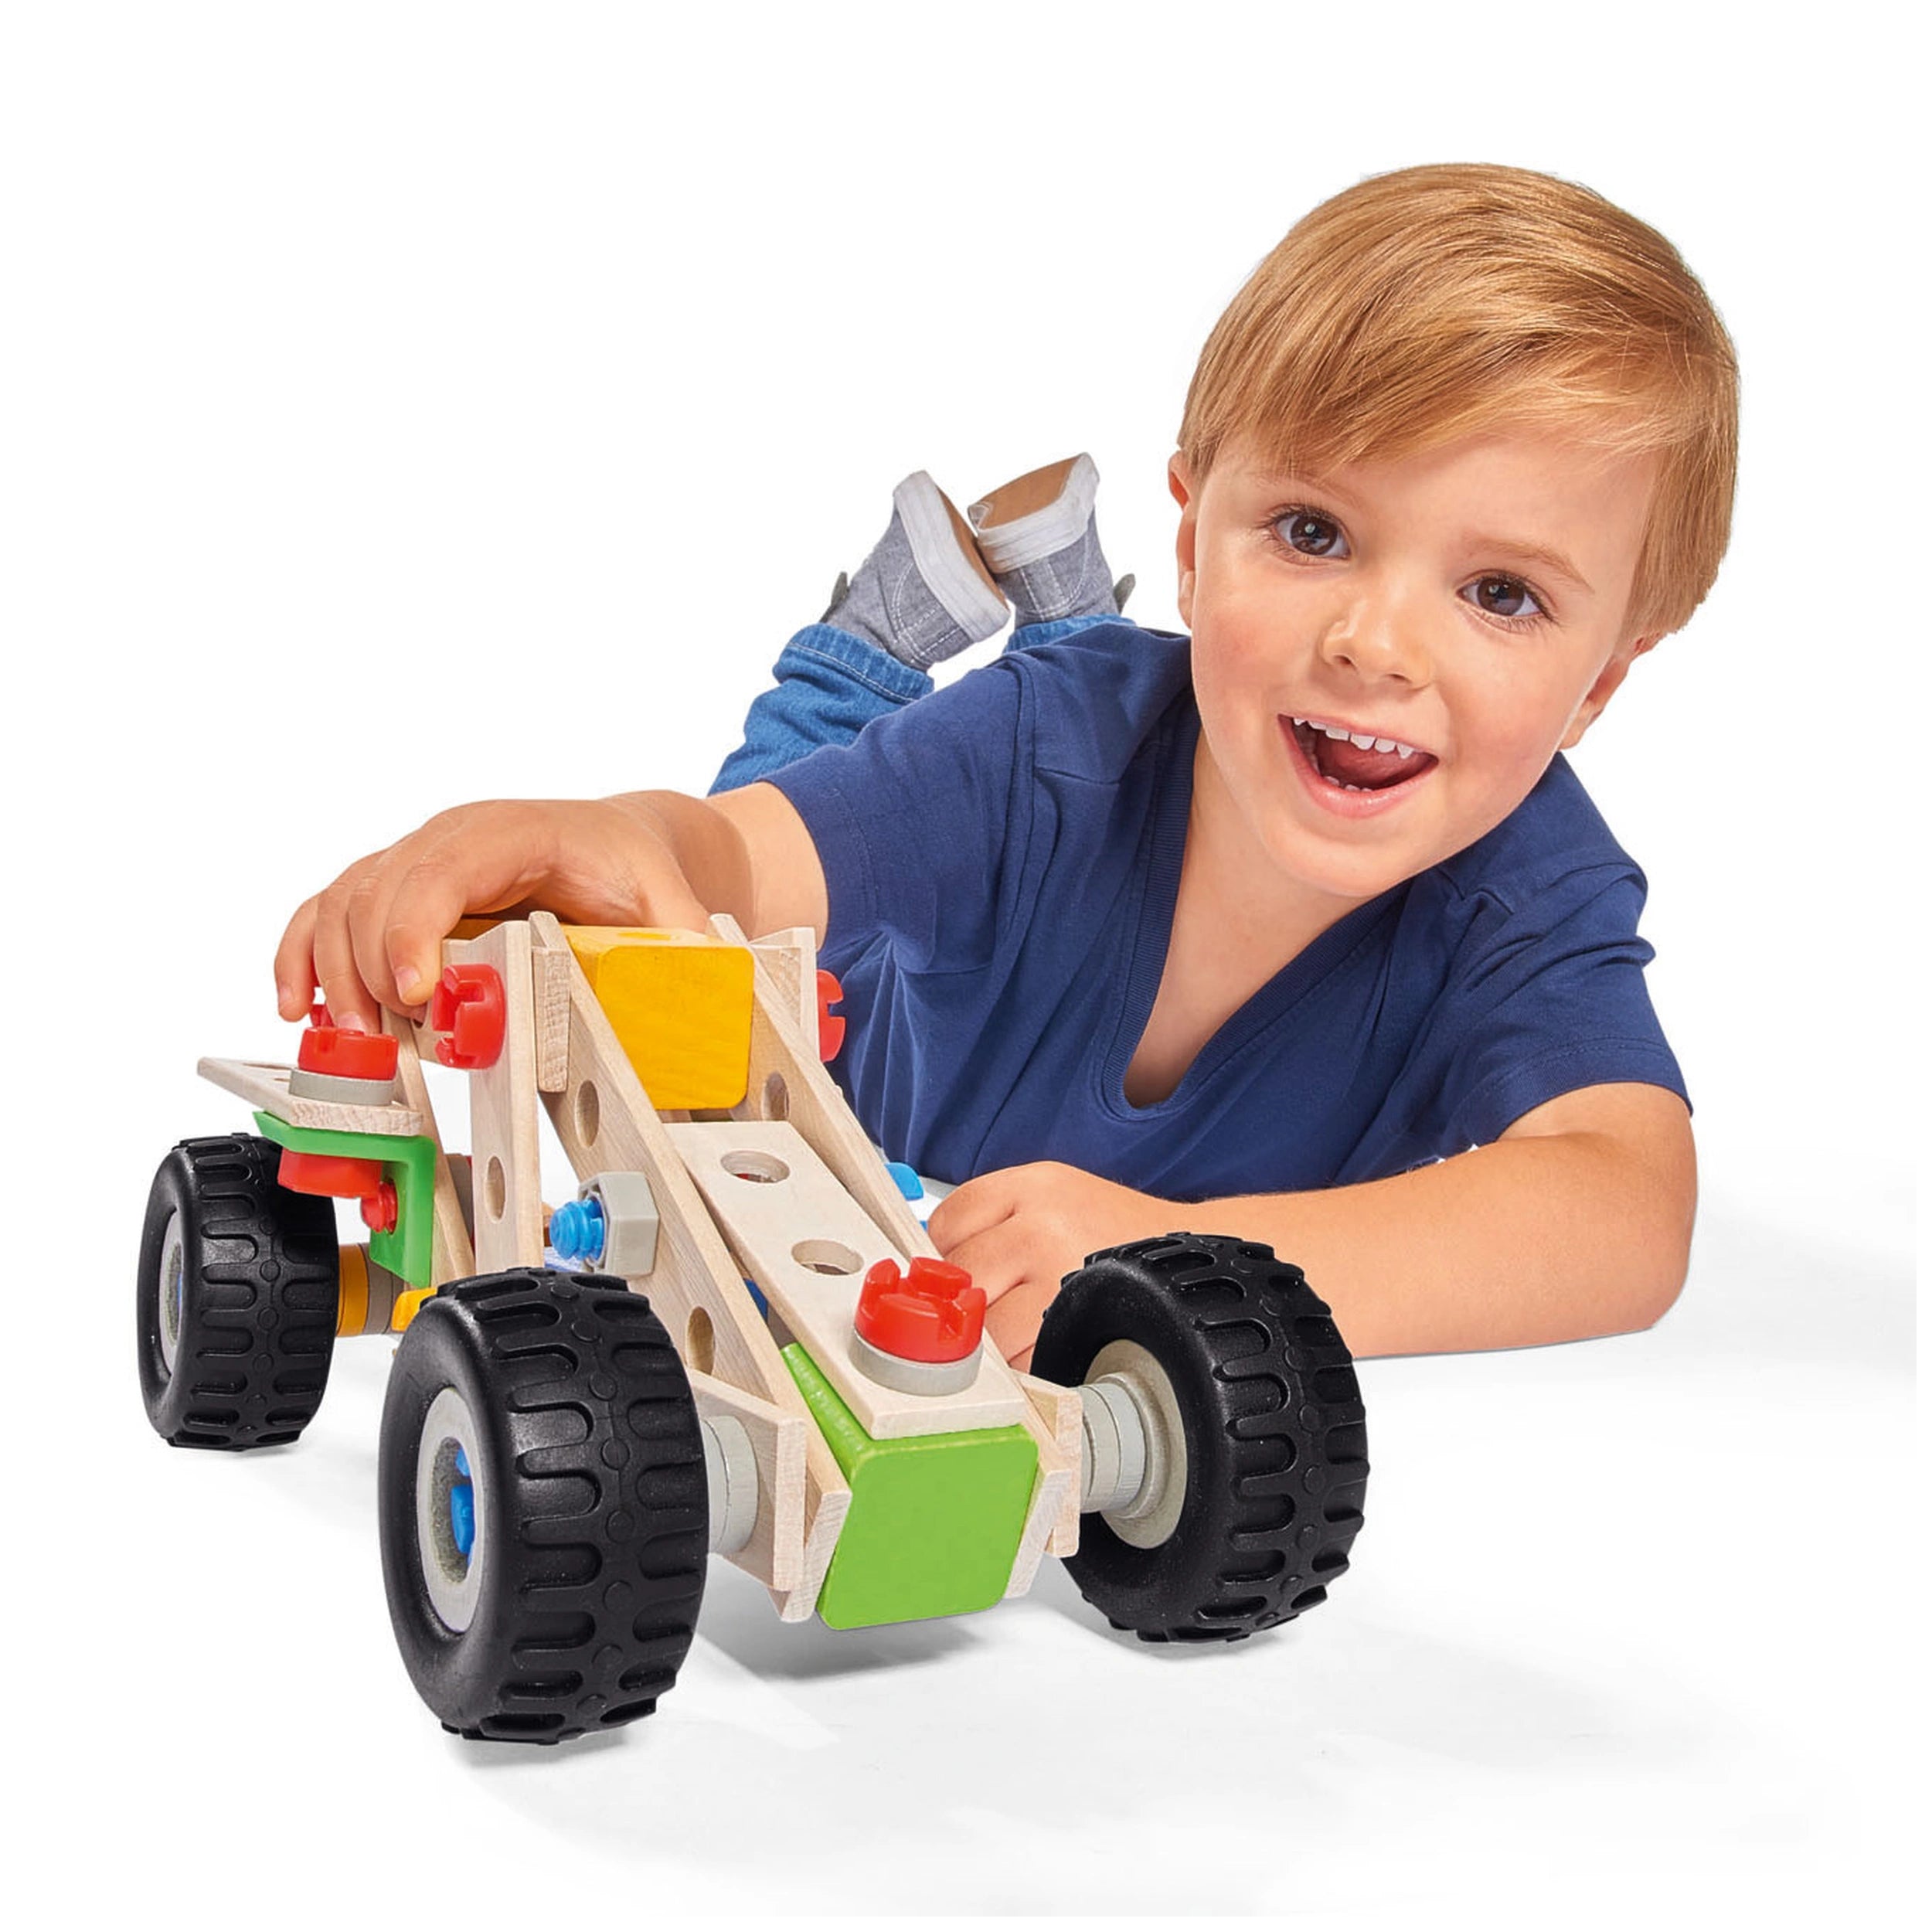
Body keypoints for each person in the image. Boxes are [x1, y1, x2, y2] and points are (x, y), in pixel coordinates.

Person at [274, 163, 1737, 1369]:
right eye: (1312, 532)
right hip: (866, 1066)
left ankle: (1066, 601)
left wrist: (1178, 1259)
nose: (1376, 644)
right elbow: (726, 859)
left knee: (1151, 691)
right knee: (775, 812)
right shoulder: (1047, 753)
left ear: (1601, 684)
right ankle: (870, 637)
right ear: (1193, 537)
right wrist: (596, 830)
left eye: (1501, 595)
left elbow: (1625, 1208)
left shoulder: (1528, 888)